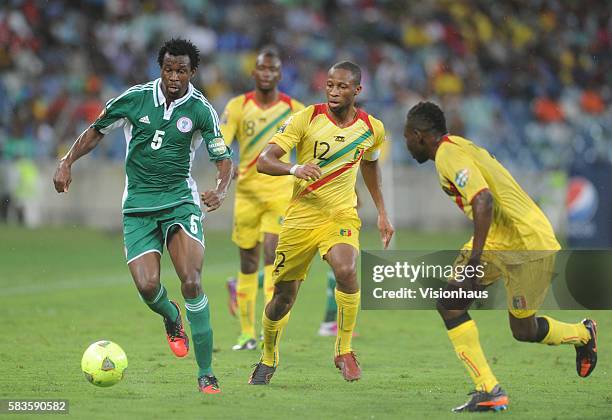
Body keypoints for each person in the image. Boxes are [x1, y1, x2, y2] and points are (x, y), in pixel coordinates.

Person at [52, 38, 233, 394]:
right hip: (137, 205)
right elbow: (96, 131)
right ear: (160, 69)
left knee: (192, 281)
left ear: (192, 72)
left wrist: (220, 188)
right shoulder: (134, 98)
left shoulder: (200, 109)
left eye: (181, 70)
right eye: (168, 69)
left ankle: (206, 373)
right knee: (148, 285)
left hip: (180, 201)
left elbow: (223, 157)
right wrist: (66, 161)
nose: (174, 77)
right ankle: (171, 317)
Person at [403, 101, 597, 412]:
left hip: (528, 242)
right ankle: (489, 389)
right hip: (502, 239)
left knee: (524, 330)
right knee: (450, 304)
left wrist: (474, 262)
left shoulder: (448, 155)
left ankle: (582, 333)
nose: (407, 145)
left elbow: (483, 200)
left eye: (406, 138)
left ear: (419, 135)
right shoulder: (457, 146)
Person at [248, 61, 394, 384]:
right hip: (301, 219)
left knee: (346, 268)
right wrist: (294, 169)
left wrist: (382, 211)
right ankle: (269, 356)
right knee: (282, 299)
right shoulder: (307, 118)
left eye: (342, 87)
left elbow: (370, 165)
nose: (334, 91)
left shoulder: (372, 128)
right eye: (330, 85)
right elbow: (264, 161)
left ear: (357, 90)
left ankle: (343, 350)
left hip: (340, 215)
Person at [220, 48, 304, 350]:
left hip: (280, 192)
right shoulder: (238, 106)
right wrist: (225, 173)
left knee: (272, 255)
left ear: (280, 75)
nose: (267, 73)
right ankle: (246, 333)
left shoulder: (295, 109)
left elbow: (309, 147)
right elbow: (222, 142)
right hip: (247, 194)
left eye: (272, 69)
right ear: (254, 73)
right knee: (247, 261)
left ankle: (269, 330)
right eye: (262, 69)